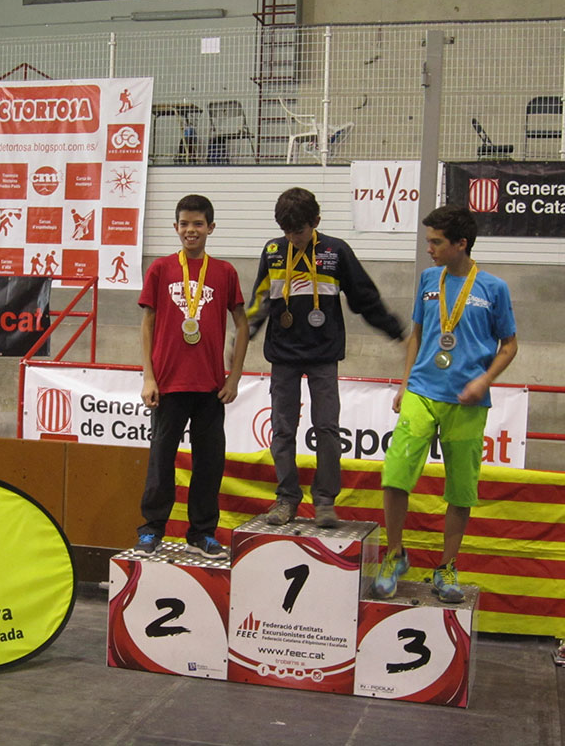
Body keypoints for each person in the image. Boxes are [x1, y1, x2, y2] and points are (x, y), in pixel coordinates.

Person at [373, 205, 518, 603]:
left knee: (460, 490)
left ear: (461, 244)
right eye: (428, 241)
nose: (430, 249)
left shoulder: (494, 289)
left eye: (436, 242)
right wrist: (405, 384)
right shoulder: (427, 280)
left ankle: (447, 566)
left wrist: (484, 380)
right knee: (395, 474)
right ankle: (395, 554)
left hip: (467, 402)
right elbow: (417, 336)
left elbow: (510, 346)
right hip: (422, 391)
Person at [247, 187, 405, 528]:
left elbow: (364, 297)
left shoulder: (336, 251)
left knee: (327, 428)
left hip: (323, 355)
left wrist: (394, 329)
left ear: (316, 221)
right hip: (283, 356)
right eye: (287, 231)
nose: (294, 238)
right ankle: (286, 498)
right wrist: (244, 333)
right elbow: (260, 300)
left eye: (300, 231)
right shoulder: (273, 251)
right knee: (282, 429)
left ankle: (324, 501)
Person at [134, 194, 249, 560]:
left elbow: (243, 324)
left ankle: (202, 533)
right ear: (175, 227)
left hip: (211, 388)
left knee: (209, 463)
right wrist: (148, 377)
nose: (191, 230)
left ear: (210, 227)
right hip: (168, 384)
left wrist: (234, 378)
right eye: (184, 223)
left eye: (198, 223)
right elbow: (147, 323)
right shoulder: (161, 268)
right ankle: (152, 528)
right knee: (161, 460)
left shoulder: (225, 272)